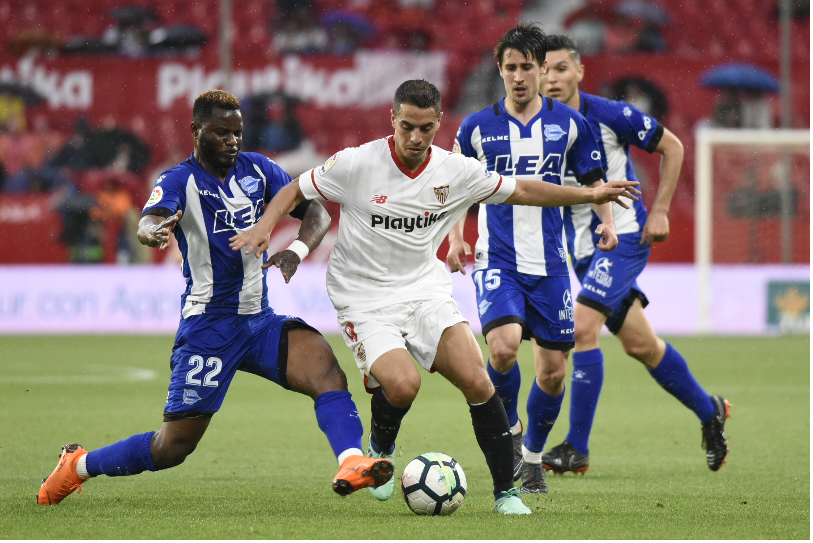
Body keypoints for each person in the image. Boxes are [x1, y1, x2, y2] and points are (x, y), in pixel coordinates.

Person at [230, 79, 640, 514]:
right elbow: (296, 188)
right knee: (405, 384)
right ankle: (381, 447)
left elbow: (521, 189)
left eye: (425, 128)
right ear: (393, 119)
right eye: (407, 126)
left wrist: (589, 193)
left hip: (425, 290)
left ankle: (507, 493)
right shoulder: (356, 163)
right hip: (362, 296)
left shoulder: (455, 170)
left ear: (438, 123)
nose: (415, 137)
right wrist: (266, 229)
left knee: (479, 380)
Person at [37, 90, 391, 506]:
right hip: (209, 327)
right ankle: (78, 465)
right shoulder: (177, 180)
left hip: (259, 320)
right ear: (195, 131)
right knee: (173, 447)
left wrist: (296, 251)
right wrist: (151, 231)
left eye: (237, 133)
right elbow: (149, 221)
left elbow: (316, 212)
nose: (232, 141)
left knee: (327, 372)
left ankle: (351, 461)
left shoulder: (260, 171)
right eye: (221, 132)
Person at [539, 35, 730, 474]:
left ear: (580, 72)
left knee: (581, 329)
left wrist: (659, 210)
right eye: (545, 69)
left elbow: (673, 147)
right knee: (642, 346)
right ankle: (710, 411)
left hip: (623, 238)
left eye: (561, 69)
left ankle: (576, 449)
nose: (552, 78)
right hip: (583, 252)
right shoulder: (537, 124)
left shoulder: (610, 114)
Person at [445, 23, 618, 495]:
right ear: (499, 71)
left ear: (542, 70)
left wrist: (605, 220)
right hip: (497, 258)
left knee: (553, 370)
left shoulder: (570, 124)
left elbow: (594, 178)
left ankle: (532, 457)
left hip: (550, 266)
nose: (519, 76)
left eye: (527, 67)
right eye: (510, 68)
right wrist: (458, 237)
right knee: (501, 348)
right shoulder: (476, 127)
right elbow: (460, 188)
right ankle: (511, 428)